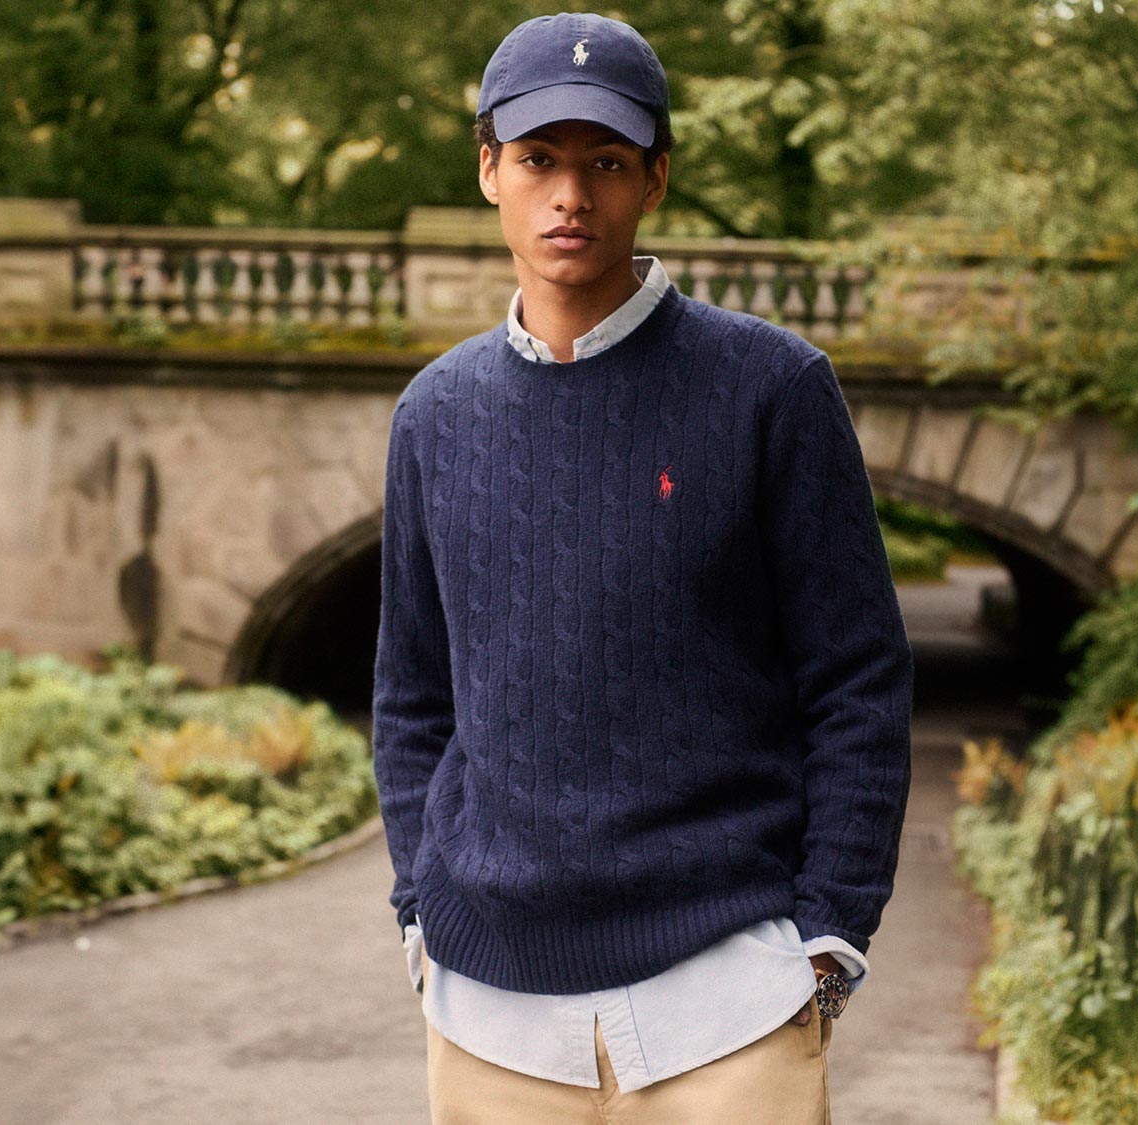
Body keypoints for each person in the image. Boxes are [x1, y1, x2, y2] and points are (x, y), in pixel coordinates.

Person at [370, 11, 915, 1123]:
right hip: (489, 1019)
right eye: (537, 161)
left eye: (605, 162)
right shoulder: (434, 414)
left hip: (729, 1007)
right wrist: (420, 914)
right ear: (488, 171)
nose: (570, 196)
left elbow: (856, 681)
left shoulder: (770, 389)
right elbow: (411, 694)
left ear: (654, 178)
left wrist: (826, 937)